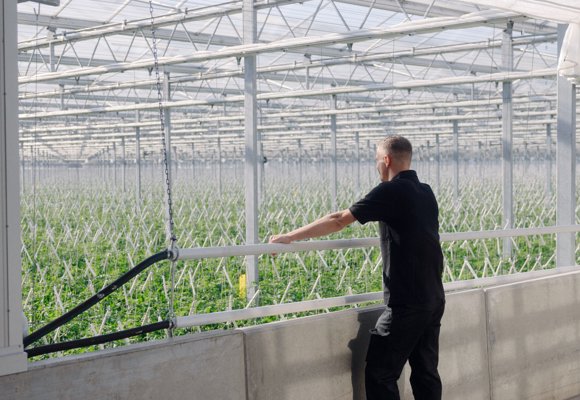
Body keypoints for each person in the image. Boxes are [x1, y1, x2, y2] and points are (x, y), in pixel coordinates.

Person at [269, 135, 445, 400]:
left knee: (380, 373)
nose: (377, 166)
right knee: (426, 372)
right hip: (434, 296)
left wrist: (291, 236)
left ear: (386, 160)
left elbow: (339, 220)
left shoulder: (390, 191)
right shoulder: (426, 191)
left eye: (377, 160)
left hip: (407, 302)